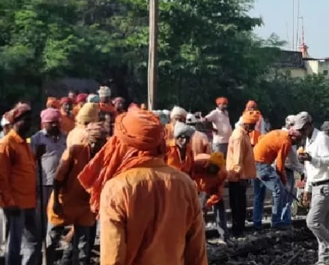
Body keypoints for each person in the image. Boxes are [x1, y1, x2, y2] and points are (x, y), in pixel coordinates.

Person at [78, 107, 208, 265]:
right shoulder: (185, 184)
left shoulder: (116, 188)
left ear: (122, 144)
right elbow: (197, 253)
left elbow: (113, 258)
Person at [47, 122, 105, 265]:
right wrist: (55, 201)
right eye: (97, 142)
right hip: (64, 200)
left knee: (82, 244)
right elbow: (58, 179)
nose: (100, 146)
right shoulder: (75, 151)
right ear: (90, 140)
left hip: (85, 205)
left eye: (102, 143)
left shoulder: (103, 157)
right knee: (52, 238)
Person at [0, 103, 40, 265]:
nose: (29, 123)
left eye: (30, 119)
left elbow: (25, 168)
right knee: (14, 245)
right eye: (26, 120)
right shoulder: (7, 144)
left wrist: (36, 156)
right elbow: (1, 177)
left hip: (29, 201)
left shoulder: (24, 142)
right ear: (15, 122)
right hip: (16, 203)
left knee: (34, 241)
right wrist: (9, 202)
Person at [296, 112, 329, 264]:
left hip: (326, 185)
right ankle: (323, 260)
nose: (301, 133)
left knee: (312, 222)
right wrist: (307, 190)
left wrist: (312, 158)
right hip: (316, 185)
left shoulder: (322, 138)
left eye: (303, 129)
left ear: (310, 125)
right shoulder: (308, 141)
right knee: (321, 226)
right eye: (300, 130)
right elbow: (310, 170)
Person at [30, 107, 67, 250]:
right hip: (43, 184)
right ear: (44, 123)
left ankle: (50, 248)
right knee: (41, 219)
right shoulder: (37, 139)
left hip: (61, 185)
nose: (55, 125)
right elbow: (30, 163)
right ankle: (40, 249)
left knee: (56, 219)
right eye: (51, 122)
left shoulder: (65, 138)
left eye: (57, 122)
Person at [252, 125, 298, 230]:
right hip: (262, 164)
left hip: (254, 160)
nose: (298, 142)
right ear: (293, 136)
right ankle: (276, 222)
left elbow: (261, 138)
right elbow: (279, 166)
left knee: (258, 195)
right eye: (298, 139)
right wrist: (285, 183)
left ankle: (256, 223)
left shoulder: (279, 132)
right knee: (279, 191)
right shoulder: (286, 142)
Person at [226, 110, 258, 237]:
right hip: (237, 176)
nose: (254, 127)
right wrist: (239, 175)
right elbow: (237, 158)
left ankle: (240, 228)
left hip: (240, 175)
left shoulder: (243, 133)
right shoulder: (239, 136)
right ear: (246, 124)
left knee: (240, 203)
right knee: (237, 204)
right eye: (252, 125)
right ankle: (237, 230)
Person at [193, 152, 229, 242]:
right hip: (197, 186)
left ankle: (224, 236)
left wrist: (208, 204)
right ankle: (198, 237)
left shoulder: (222, 174)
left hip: (211, 187)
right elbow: (189, 175)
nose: (213, 169)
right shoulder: (198, 164)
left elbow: (218, 193)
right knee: (198, 212)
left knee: (219, 208)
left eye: (216, 168)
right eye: (212, 167)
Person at [281, 115, 304, 225]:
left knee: (286, 196)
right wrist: (303, 170)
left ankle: (285, 219)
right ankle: (285, 221)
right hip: (286, 169)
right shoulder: (287, 137)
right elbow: (292, 159)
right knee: (286, 197)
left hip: (287, 168)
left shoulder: (287, 135)